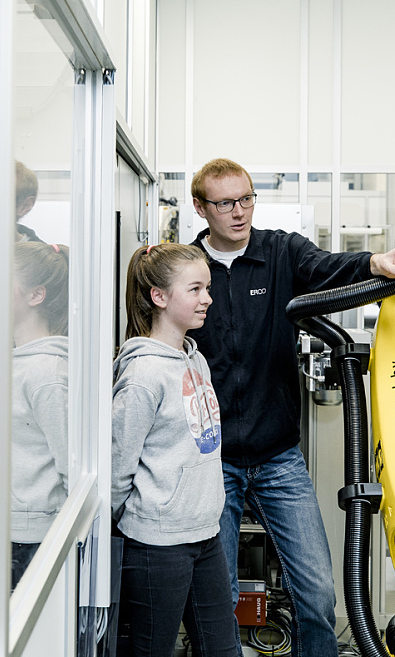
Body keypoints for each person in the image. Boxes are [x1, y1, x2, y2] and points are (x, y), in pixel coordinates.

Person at [185, 158, 395, 657]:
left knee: (317, 594)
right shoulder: (187, 269)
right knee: (218, 597)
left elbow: (326, 267)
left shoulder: (279, 252)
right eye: (226, 203)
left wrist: (376, 263)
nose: (239, 212)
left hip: (278, 457)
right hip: (211, 461)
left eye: (246, 198)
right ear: (200, 207)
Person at [111, 243, 236, 657]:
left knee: (223, 650)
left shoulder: (193, 359)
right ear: (159, 297)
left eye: (208, 287)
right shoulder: (144, 373)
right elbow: (118, 464)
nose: (208, 299)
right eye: (196, 289)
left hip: (205, 533)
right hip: (157, 545)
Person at [11, 241, 70, 587]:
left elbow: (70, 468)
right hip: (9, 526)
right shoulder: (17, 361)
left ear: (36, 295)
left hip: (32, 534)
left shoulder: (46, 374)